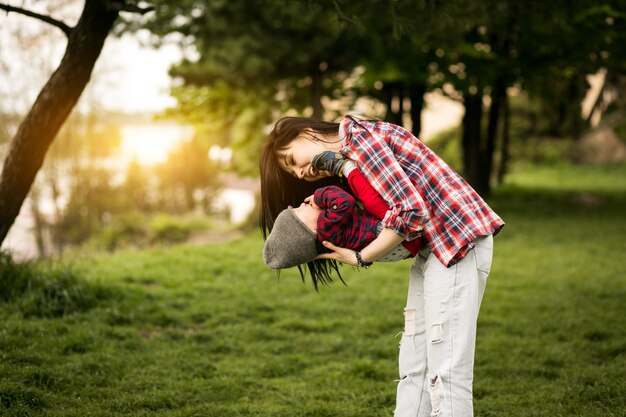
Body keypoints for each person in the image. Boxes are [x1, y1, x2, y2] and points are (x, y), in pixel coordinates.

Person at [259, 115, 504, 417]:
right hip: (434, 250)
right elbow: (398, 220)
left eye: (292, 160)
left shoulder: (358, 138)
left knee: (447, 370)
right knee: (415, 364)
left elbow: (412, 213)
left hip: (457, 241)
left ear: (306, 132)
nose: (299, 174)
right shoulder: (349, 159)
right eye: (293, 172)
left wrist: (361, 257)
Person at [263, 166, 424, 279]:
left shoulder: (328, 237)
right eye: (298, 211)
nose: (302, 204)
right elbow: (345, 201)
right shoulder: (326, 228)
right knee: (380, 202)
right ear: (310, 232)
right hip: (391, 235)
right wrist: (320, 196)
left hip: (399, 249)